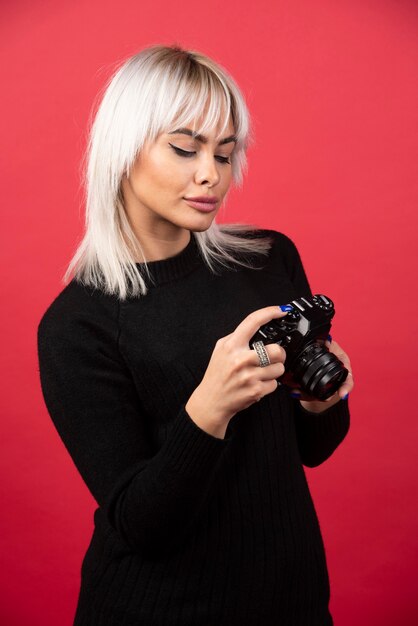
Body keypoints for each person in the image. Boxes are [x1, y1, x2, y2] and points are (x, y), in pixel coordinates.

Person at [37, 44, 354, 626]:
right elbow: (142, 525)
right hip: (160, 610)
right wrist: (209, 409)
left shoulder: (267, 258)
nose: (211, 173)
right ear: (124, 151)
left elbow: (314, 449)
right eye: (185, 149)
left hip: (295, 599)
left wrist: (321, 399)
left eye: (225, 153)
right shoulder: (78, 326)